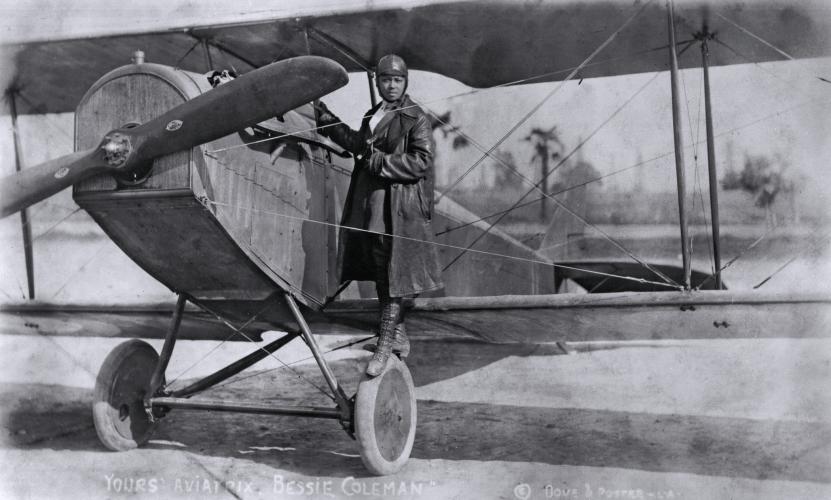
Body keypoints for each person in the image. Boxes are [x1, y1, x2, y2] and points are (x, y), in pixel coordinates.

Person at [315, 54, 443, 376]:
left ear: (405, 82)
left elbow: (421, 162)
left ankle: (385, 343)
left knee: (391, 274)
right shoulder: (374, 114)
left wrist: (381, 163)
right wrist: (327, 119)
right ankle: (398, 336)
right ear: (378, 81)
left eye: (397, 80)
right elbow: (359, 143)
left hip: (396, 208)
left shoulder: (416, 118)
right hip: (372, 205)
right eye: (386, 79)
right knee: (380, 269)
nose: (391, 85)